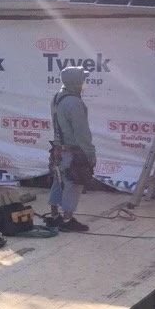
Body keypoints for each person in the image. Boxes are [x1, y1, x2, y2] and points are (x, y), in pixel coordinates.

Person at [46, 66, 96, 232]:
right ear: (76, 82)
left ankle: (54, 216)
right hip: (73, 151)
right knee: (73, 183)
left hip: (59, 149)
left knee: (58, 182)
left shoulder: (57, 97)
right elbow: (81, 131)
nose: (84, 84)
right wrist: (90, 153)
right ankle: (67, 220)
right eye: (82, 81)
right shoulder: (74, 102)